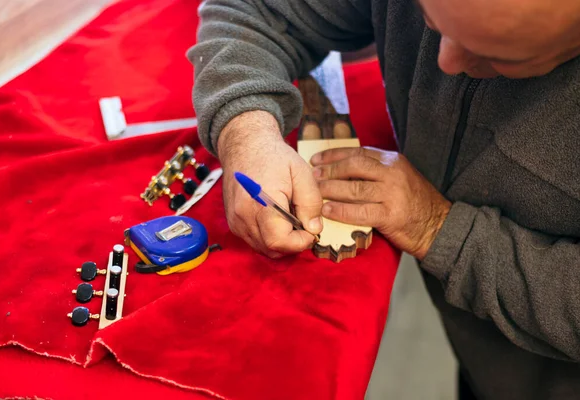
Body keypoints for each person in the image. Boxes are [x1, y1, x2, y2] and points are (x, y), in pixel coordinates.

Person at [187, 0, 580, 398]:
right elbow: (255, 10)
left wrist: (440, 229)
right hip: (481, 361)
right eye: (430, 21)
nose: (444, 61)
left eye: (500, 55)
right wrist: (245, 130)